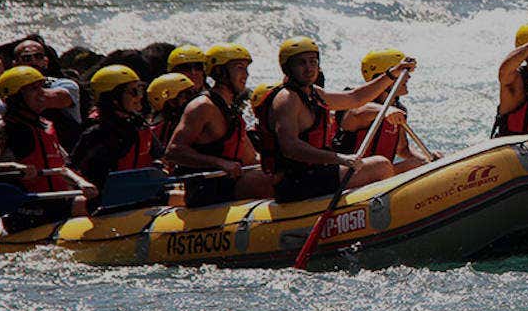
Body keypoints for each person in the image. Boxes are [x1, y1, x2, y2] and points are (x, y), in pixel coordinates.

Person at [257, 37, 415, 203]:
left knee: (393, 164)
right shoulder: (286, 99)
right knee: (380, 166)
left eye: (313, 62)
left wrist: (393, 73)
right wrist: (338, 158)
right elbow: (290, 147)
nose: (309, 68)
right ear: (287, 67)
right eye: (301, 63)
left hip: (315, 174)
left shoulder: (314, 93)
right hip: (295, 182)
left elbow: (355, 98)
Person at [0, 66, 97, 231]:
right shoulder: (2, 129)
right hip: (26, 206)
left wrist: (81, 182)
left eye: (41, 87)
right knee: (80, 203)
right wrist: (14, 167)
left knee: (87, 201)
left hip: (56, 200)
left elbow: (63, 167)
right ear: (15, 98)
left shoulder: (46, 127)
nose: (42, 93)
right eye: (33, 89)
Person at [163, 43, 276, 206]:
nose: (246, 74)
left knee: (280, 174)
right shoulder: (202, 106)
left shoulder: (231, 110)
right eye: (239, 68)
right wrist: (219, 163)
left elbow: (251, 158)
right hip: (206, 188)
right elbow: (173, 151)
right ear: (220, 72)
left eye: (246, 68)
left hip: (229, 184)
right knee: (268, 180)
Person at [333, 49, 440, 174]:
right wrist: (385, 110)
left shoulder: (398, 109)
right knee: (405, 165)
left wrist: (427, 158)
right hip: (351, 176)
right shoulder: (356, 105)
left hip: (381, 175)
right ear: (382, 77)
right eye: (402, 72)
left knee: (423, 162)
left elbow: (403, 149)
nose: (408, 77)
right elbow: (356, 113)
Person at [69, 65, 157, 195]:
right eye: (133, 92)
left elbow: (160, 157)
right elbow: (68, 168)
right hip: (106, 201)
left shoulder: (139, 125)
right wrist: (81, 182)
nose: (139, 97)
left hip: (140, 194)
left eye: (140, 90)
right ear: (113, 98)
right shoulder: (96, 133)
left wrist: (159, 167)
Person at [146, 72, 196, 150]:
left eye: (194, 93)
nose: (193, 99)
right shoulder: (157, 132)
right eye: (188, 94)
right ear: (171, 102)